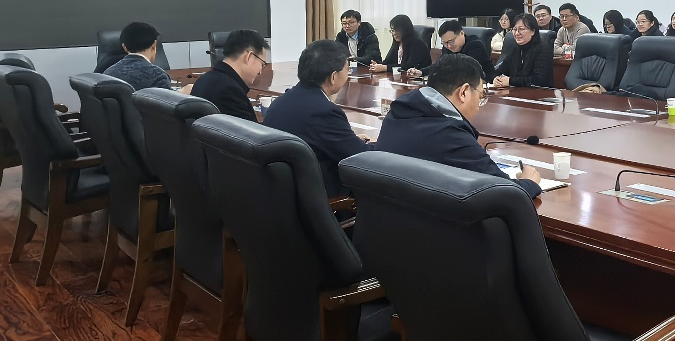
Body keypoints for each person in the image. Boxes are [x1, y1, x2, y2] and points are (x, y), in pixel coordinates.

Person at [376, 54, 542, 199]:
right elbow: (506, 191)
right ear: (464, 92)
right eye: (480, 95)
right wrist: (529, 182)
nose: (479, 105)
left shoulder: (397, 113)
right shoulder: (451, 135)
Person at [263, 39, 373, 198]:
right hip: (320, 198)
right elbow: (362, 158)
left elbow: (320, 138)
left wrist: (349, 139)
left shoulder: (280, 102)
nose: (347, 75)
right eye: (347, 70)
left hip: (281, 195)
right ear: (333, 77)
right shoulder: (325, 112)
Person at [190, 29, 267, 119]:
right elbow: (249, 128)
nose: (260, 72)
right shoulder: (230, 92)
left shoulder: (204, 79)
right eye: (262, 64)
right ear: (248, 56)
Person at [104, 22, 177, 91]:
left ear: (124, 47)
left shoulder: (108, 73)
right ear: (154, 45)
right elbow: (167, 99)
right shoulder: (158, 75)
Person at [493, 13, 553, 88]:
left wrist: (510, 81)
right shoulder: (515, 48)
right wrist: (496, 79)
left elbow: (538, 80)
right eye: (514, 29)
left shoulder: (543, 49)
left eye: (521, 29)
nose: (517, 33)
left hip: (539, 93)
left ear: (533, 31)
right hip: (517, 92)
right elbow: (500, 70)